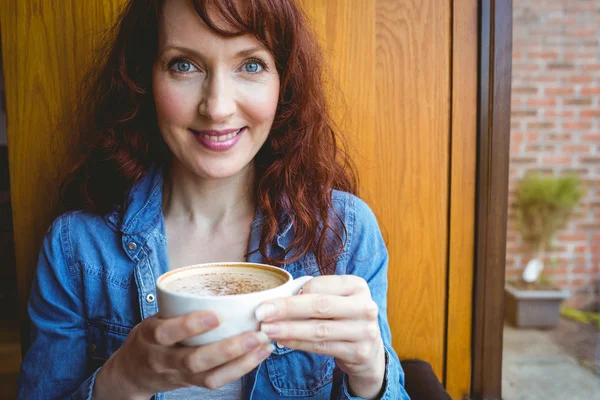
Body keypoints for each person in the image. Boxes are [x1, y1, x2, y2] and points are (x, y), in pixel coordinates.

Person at [17, 0, 410, 399]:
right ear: (144, 77)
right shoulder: (75, 248)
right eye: (184, 65)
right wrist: (122, 380)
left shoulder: (345, 233)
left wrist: (371, 375)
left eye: (251, 64)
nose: (217, 108)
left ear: (283, 82)